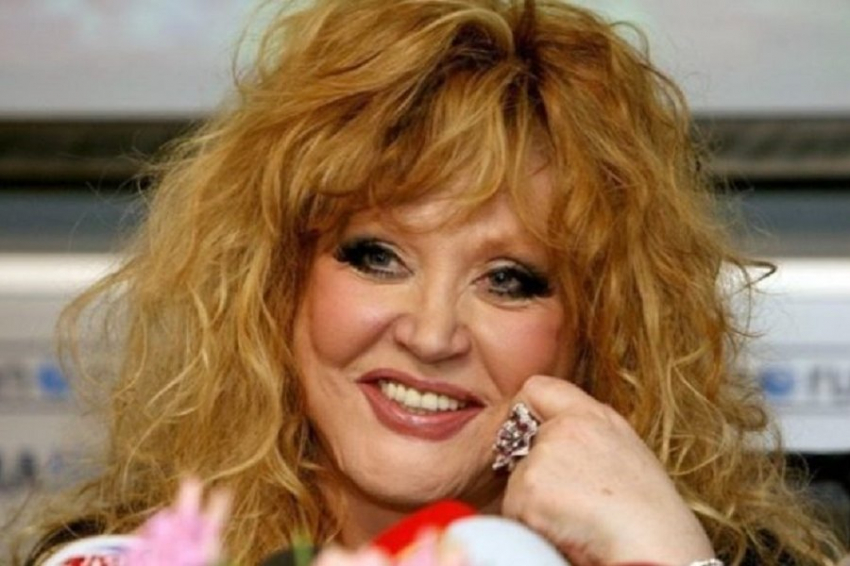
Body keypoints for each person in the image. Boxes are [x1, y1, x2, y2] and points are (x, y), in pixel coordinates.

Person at [13, 0, 848, 564]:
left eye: (510, 279)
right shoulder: (120, 556)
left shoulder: (714, 558)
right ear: (277, 278)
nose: (431, 332)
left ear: (600, 326)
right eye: (378, 256)